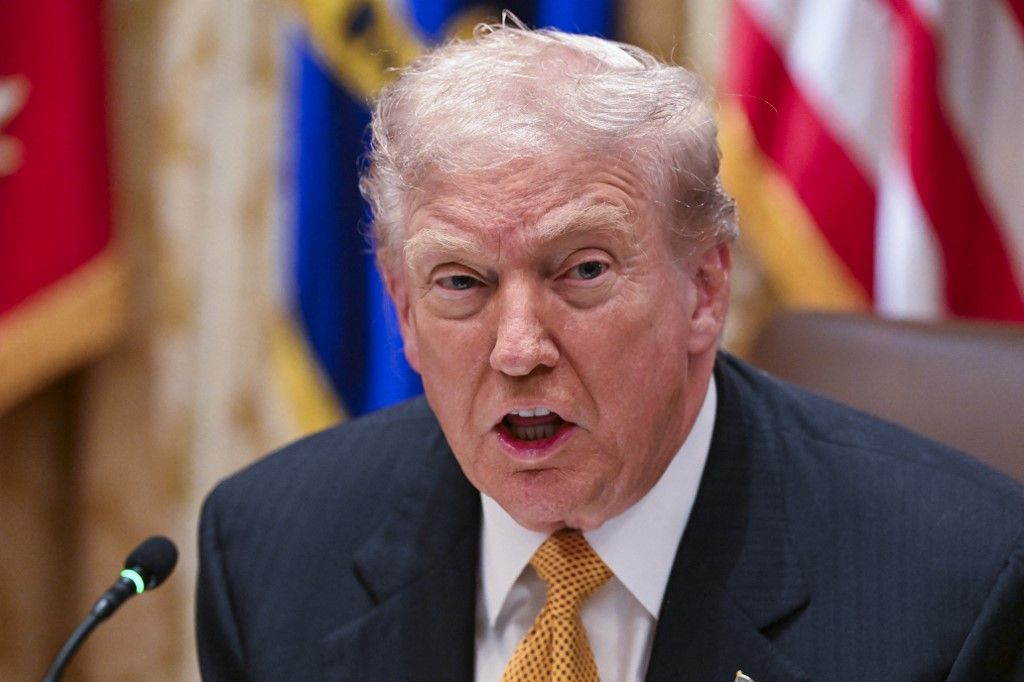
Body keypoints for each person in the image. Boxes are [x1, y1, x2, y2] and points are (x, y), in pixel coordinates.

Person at [196, 21, 1024, 681]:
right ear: (402, 310)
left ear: (703, 288)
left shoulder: (954, 589)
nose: (518, 349)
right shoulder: (270, 550)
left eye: (583, 271)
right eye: (460, 284)